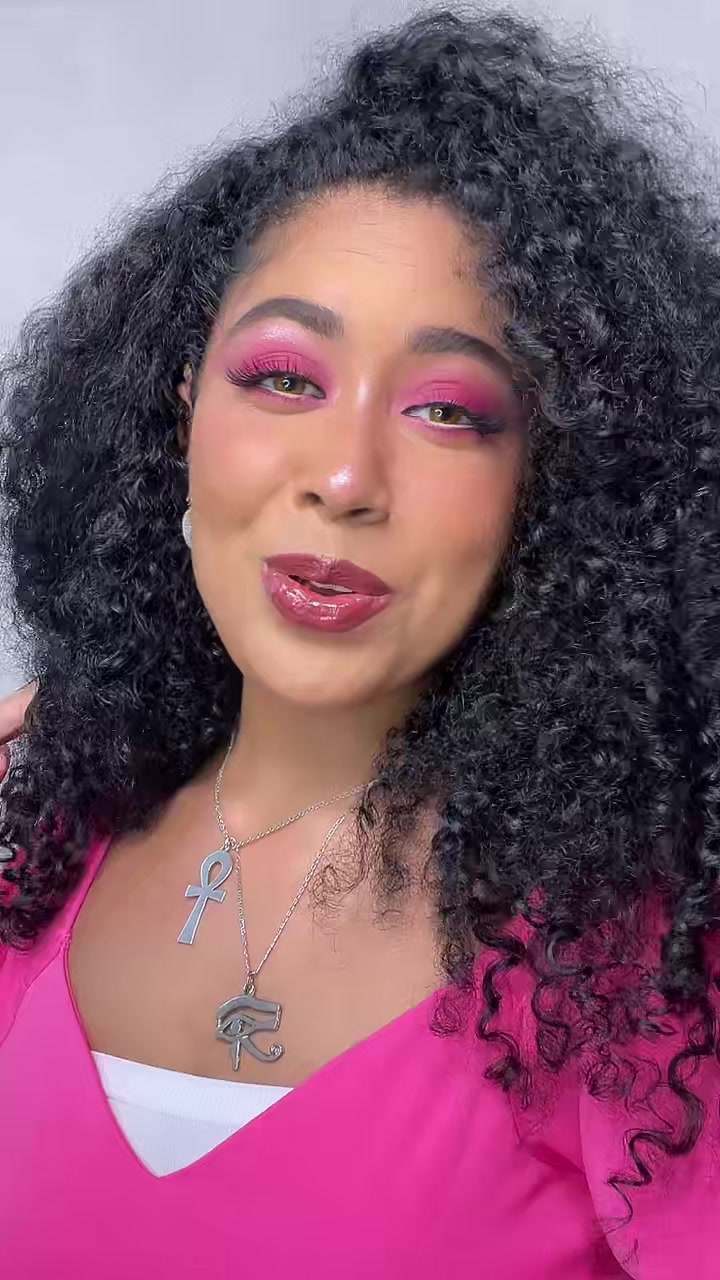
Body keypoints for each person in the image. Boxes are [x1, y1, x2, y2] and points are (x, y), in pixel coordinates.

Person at [1, 8, 718, 1277]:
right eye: (285, 378)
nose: (344, 477)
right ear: (183, 408)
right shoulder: (33, 848)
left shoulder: (628, 962)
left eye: (450, 410)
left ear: (552, 481)